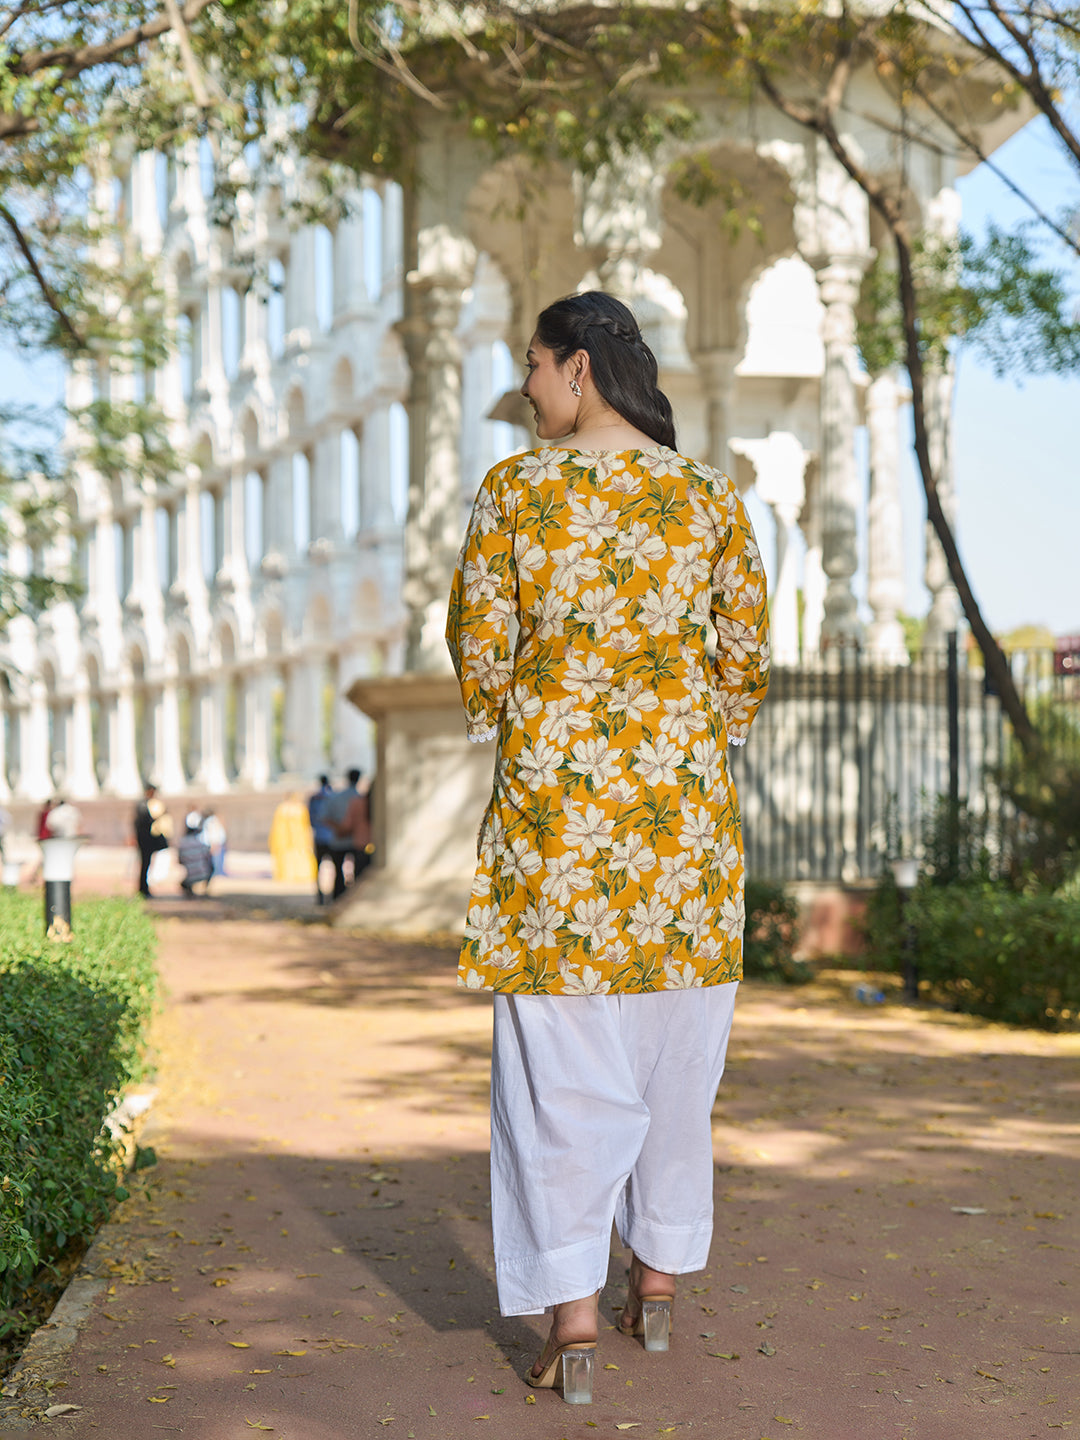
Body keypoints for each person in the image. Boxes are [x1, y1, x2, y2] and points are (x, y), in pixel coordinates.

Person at [446, 292, 770, 1404]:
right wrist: (674, 732)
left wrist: (544, 713)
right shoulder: (710, 499)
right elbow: (744, 669)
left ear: (578, 368)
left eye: (533, 365)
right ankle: (663, 1285)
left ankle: (573, 1322)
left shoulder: (516, 493)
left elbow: (481, 655)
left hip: (556, 834)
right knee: (679, 1069)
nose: (527, 386)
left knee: (560, 1081)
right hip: (682, 828)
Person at [333, 767, 374, 888]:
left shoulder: (357, 802)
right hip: (374, 845)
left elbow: (347, 825)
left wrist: (336, 828)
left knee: (359, 879)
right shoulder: (359, 800)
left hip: (361, 844)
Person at [133, 783, 169, 898]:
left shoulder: (145, 804)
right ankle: (143, 888)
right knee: (145, 863)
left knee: (146, 863)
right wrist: (159, 817)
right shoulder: (143, 805)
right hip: (144, 840)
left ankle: (144, 887)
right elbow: (145, 822)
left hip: (145, 839)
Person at [308, 774, 336, 903]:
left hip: (319, 836)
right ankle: (334, 895)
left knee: (318, 868)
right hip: (332, 837)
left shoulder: (315, 798)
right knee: (336, 867)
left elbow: (311, 819)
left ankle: (320, 896)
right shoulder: (333, 797)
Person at [176, 812, 213, 898]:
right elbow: (207, 857)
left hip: (189, 875)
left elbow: (180, 861)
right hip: (203, 874)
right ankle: (204, 888)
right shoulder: (200, 842)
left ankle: (189, 888)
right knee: (210, 864)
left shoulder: (183, 843)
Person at [200, 808, 227, 876]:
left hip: (214, 843)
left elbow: (213, 834)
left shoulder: (210, 821)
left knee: (215, 861)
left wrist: (213, 844)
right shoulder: (213, 820)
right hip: (216, 843)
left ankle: (216, 873)